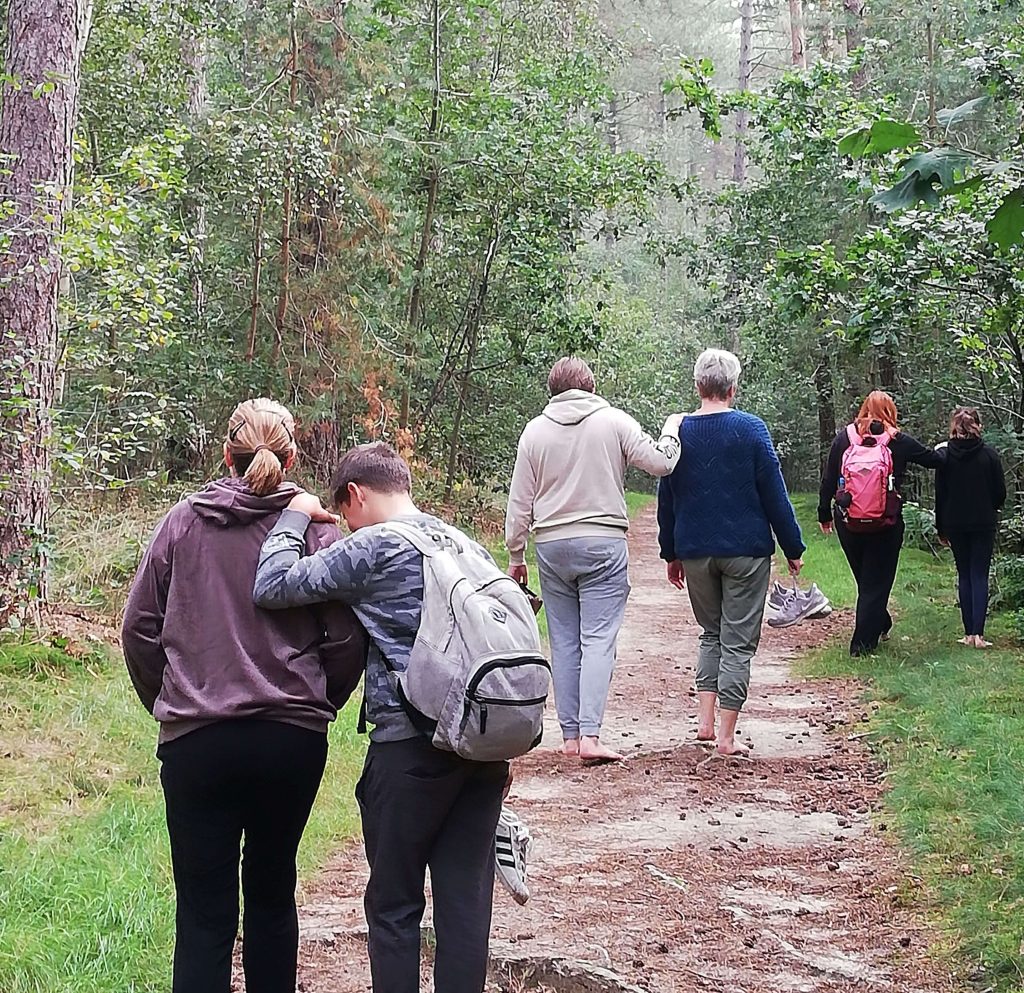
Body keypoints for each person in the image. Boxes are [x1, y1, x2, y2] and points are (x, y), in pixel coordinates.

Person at [121, 398, 367, 993]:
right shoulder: (316, 530)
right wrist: (314, 704)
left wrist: (175, 699)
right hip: (290, 741)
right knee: (273, 894)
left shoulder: (183, 522)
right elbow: (347, 639)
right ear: (291, 456)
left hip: (197, 742)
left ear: (224, 454)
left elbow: (138, 629)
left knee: (203, 913)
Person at [253, 442, 509, 993]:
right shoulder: (465, 544)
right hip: (484, 743)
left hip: (411, 748)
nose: (345, 525)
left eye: (343, 513)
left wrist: (295, 513)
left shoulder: (374, 546)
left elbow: (272, 586)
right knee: (465, 902)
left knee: (394, 906)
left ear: (356, 496)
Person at [505, 356, 682, 763]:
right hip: (602, 542)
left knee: (564, 641)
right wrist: (672, 428)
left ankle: (569, 738)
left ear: (553, 389)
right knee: (598, 638)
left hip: (551, 546)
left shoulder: (534, 431)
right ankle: (590, 736)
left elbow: (520, 501)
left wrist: (517, 553)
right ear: (591, 385)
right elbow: (661, 463)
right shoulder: (613, 421)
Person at [658, 348, 805, 756]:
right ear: (733, 389)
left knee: (711, 633)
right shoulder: (752, 429)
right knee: (738, 641)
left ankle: (704, 723)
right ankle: (725, 738)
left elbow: (666, 497)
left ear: (697, 385)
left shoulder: (679, 432)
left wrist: (670, 551)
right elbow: (774, 493)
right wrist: (792, 546)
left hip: (695, 549)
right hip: (746, 551)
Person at [818, 390, 944, 656]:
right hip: (886, 522)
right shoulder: (897, 440)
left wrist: (824, 514)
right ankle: (861, 646)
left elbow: (829, 478)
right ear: (891, 412)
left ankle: (880, 621)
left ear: (864, 408)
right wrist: (950, 448)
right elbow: (934, 460)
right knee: (876, 581)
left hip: (848, 521)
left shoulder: (845, 438)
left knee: (867, 579)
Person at [936, 407, 1006, 648]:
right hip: (983, 522)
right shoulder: (990, 456)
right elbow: (1000, 493)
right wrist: (991, 508)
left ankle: (967, 634)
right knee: (979, 574)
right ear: (978, 425)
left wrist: (941, 527)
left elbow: (940, 495)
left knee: (964, 574)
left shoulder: (944, 457)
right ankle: (979, 635)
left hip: (955, 523)